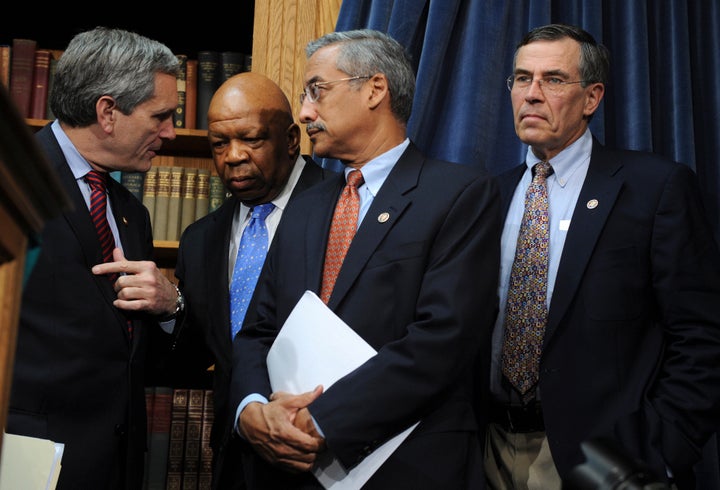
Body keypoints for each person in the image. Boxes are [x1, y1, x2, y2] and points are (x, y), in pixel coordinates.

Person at [229, 29, 502, 489]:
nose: (304, 113)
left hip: (405, 465)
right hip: (286, 468)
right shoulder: (307, 205)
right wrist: (252, 409)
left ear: (375, 89)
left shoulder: (459, 195)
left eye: (317, 90)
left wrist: (322, 421)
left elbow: (442, 340)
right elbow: (258, 329)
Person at [484, 23, 720, 489]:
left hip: (607, 461)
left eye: (552, 80)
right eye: (521, 79)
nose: (531, 94)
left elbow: (703, 337)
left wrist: (656, 453)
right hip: (491, 449)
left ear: (591, 98)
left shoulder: (655, 188)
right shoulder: (487, 197)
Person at [7, 27, 184, 490]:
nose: (169, 132)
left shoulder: (131, 213)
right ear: (108, 112)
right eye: (161, 116)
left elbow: (128, 352)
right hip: (23, 460)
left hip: (116, 466)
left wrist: (170, 306)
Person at [169, 71, 335, 490]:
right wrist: (168, 310)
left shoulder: (344, 207)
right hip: (235, 457)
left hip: (326, 454)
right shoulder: (200, 239)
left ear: (292, 139)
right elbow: (195, 357)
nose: (234, 156)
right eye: (220, 144)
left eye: (252, 139)